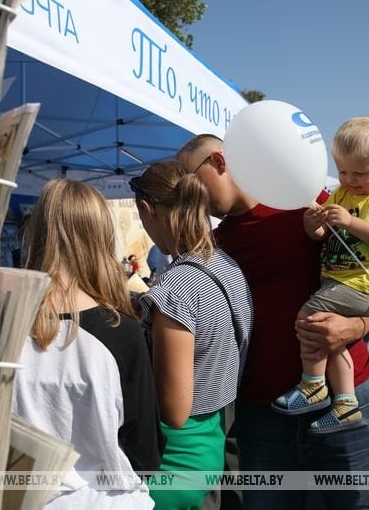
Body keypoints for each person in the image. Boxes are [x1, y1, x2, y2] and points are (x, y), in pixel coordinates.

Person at [177, 133, 369, 510]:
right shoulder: (212, 244)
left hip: (344, 403)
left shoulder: (311, 207)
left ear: (218, 162)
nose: (187, 192)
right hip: (263, 416)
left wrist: (357, 328)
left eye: (189, 178)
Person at [11, 179, 162, 509]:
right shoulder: (122, 331)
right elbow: (145, 453)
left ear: (36, 234)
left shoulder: (2, 326)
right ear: (101, 238)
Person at [271, 117, 369, 434]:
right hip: (341, 283)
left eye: (360, 173)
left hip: (366, 285)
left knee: (308, 318)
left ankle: (313, 386)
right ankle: (346, 403)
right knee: (331, 339)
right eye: (343, 171)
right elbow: (323, 234)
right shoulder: (343, 195)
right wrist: (314, 224)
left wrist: (350, 221)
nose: (350, 180)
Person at [131, 160, 253, 510]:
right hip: (211, 447)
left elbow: (174, 411)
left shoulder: (174, 292)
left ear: (146, 209)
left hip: (170, 467)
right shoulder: (226, 267)